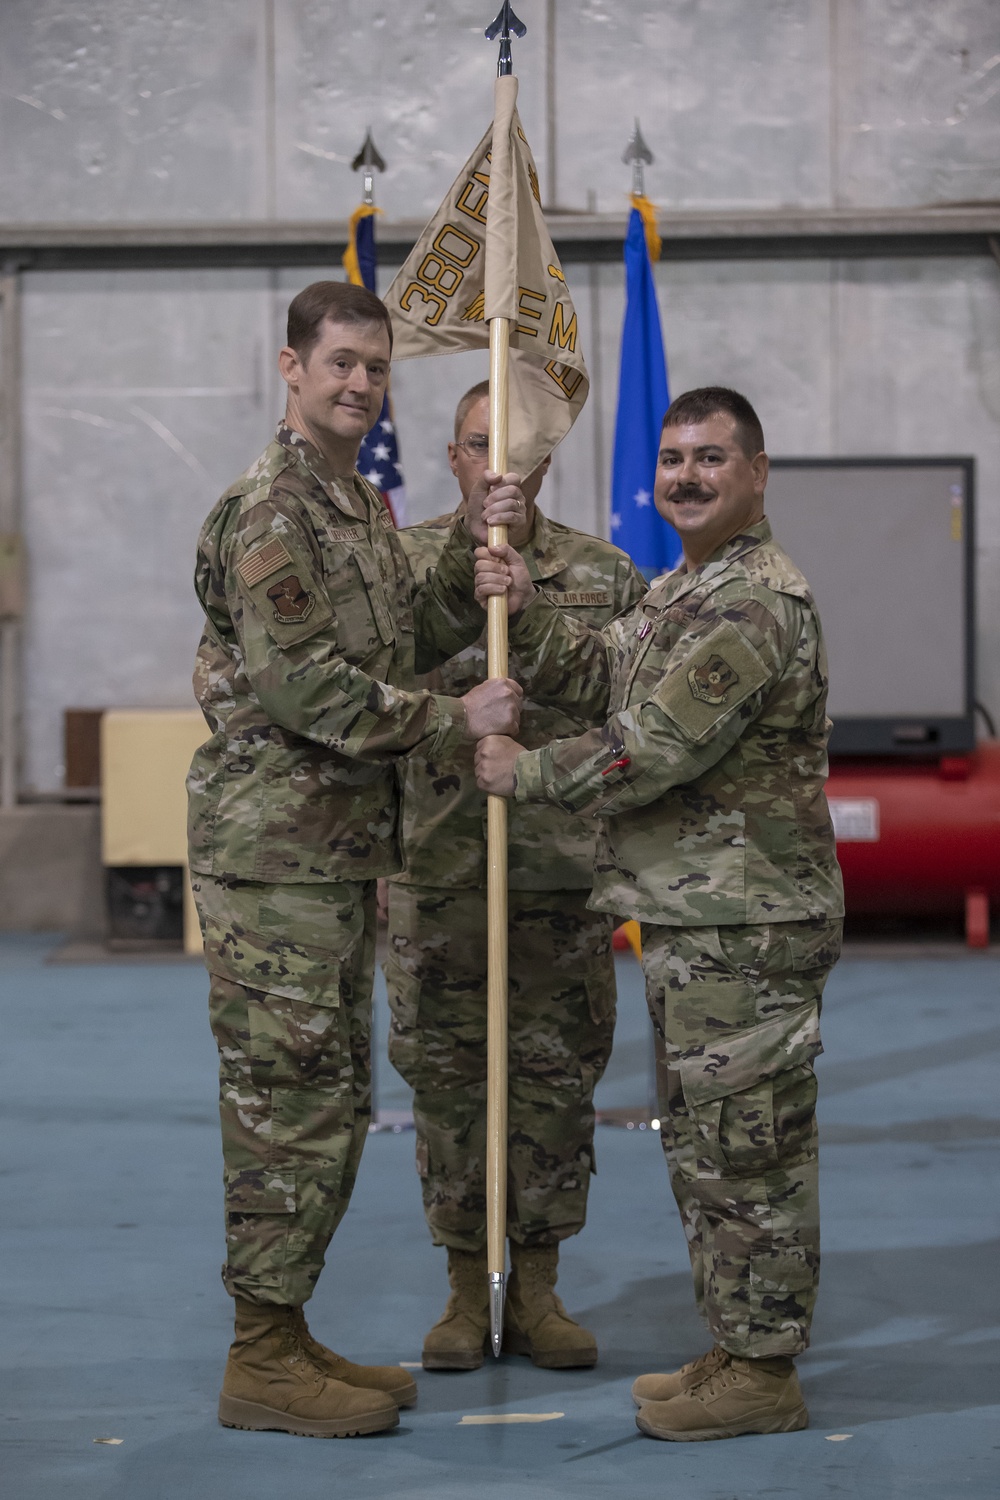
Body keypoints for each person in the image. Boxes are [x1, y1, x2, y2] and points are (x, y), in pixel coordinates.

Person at [472, 387, 844, 1442]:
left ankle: (764, 1373)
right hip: (700, 916)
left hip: (747, 923)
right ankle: (735, 1344)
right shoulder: (686, 587)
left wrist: (526, 773)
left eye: (710, 458)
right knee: (706, 1143)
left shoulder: (755, 603)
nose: (684, 474)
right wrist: (527, 604)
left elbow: (654, 746)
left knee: (748, 1148)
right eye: (672, 457)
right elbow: (602, 674)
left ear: (757, 473)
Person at [186, 282, 525, 1439]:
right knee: (287, 1104)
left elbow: (385, 640)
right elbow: (307, 688)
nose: (358, 384)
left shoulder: (358, 509)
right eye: (337, 363)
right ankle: (259, 1357)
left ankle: (285, 1335)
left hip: (332, 858)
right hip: (275, 863)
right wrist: (455, 722)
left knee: (329, 1099)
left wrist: (466, 578)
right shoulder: (270, 512)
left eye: (374, 368)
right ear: (289, 366)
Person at [384, 380, 647, 1372]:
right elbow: (374, 688)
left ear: (545, 464)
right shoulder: (401, 567)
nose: (499, 463)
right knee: (449, 1088)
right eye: (477, 444)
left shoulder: (602, 573)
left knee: (552, 1088)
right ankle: (463, 1288)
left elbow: (630, 711)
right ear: (451, 458)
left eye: (519, 447)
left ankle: (536, 1289)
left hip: (558, 878)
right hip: (438, 874)